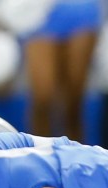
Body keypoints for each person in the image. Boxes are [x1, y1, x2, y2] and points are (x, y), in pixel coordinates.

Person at [24, 0, 101, 140]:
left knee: (73, 104)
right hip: (38, 14)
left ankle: (76, 159)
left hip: (81, 10)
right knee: (42, 99)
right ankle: (39, 157)